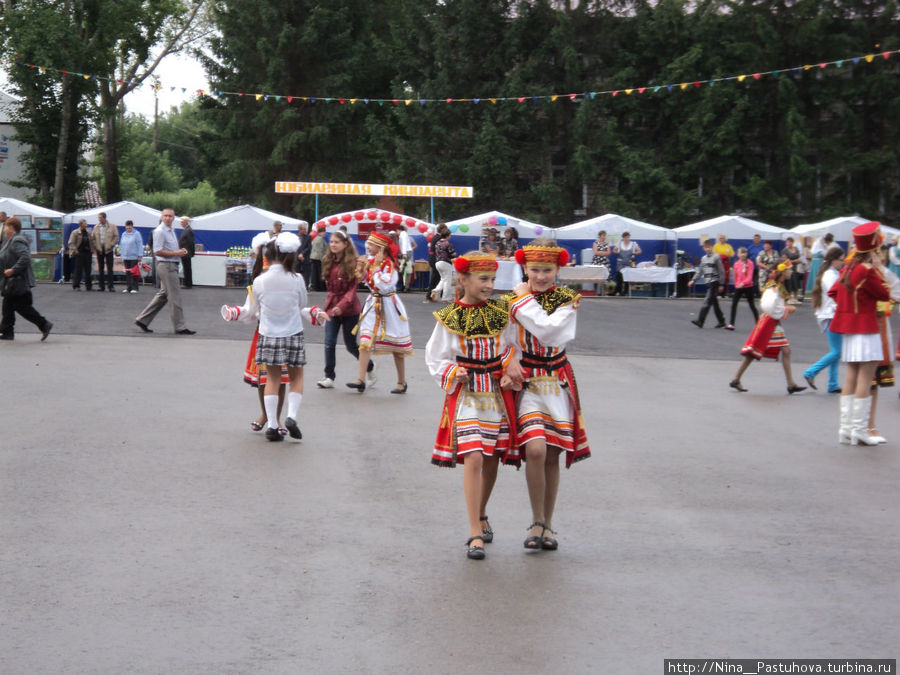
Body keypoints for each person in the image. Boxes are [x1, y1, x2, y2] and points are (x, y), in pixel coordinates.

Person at [425, 251, 520, 560]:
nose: (490, 285)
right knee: (475, 457)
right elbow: (435, 356)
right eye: (483, 279)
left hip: (493, 394)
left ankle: (480, 512)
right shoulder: (450, 316)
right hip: (467, 394)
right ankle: (474, 532)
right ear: (463, 280)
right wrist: (453, 371)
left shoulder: (499, 312)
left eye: (492, 279)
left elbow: (509, 347)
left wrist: (508, 371)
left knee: (491, 459)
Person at [507, 240, 591, 553]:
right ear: (525, 269)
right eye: (535, 270)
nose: (541, 276)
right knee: (537, 450)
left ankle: (546, 524)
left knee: (553, 453)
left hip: (556, 381)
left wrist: (523, 301)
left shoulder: (568, 299)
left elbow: (551, 333)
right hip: (527, 381)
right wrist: (508, 357)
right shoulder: (511, 300)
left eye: (547, 270)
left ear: (557, 270)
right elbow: (502, 337)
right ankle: (536, 518)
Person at [239, 232, 328, 441]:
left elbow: (254, 309)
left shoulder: (260, 280)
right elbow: (300, 305)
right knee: (296, 378)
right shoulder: (297, 279)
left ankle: (271, 424)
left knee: (271, 378)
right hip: (292, 332)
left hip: (267, 333)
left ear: (267, 257)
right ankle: (291, 417)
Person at [828, 222, 892, 445]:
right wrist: (877, 269)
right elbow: (884, 293)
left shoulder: (847, 268)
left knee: (851, 376)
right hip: (866, 327)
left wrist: (849, 307)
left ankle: (846, 429)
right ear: (873, 248)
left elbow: (833, 291)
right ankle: (859, 430)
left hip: (849, 328)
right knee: (866, 378)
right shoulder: (866, 270)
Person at [222, 232, 290, 435]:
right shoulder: (257, 281)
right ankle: (266, 415)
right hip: (263, 331)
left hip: (284, 331)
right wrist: (234, 313)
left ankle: (275, 420)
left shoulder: (287, 277)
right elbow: (250, 310)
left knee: (281, 378)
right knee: (264, 378)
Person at [347, 231, 413, 394]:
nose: (367, 247)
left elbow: (384, 285)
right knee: (365, 340)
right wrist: (361, 270)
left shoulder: (389, 264)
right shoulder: (371, 262)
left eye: (370, 244)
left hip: (389, 306)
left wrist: (375, 269)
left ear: (380, 247)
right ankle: (361, 379)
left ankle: (401, 381)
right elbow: (366, 282)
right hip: (373, 305)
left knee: (397, 346)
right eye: (368, 244)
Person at [730, 261, 806, 394]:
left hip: (771, 322)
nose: (791, 272)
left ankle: (790, 383)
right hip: (769, 322)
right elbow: (769, 306)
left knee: (776, 351)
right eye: (789, 269)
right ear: (783, 271)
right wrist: (786, 310)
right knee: (755, 351)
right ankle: (790, 383)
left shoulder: (776, 286)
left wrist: (783, 310)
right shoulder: (774, 287)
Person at [317, 230, 374, 389]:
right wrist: (328, 309)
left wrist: (341, 306)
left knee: (350, 345)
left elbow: (352, 290)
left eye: (337, 242)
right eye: (332, 242)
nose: (333, 245)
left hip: (350, 310)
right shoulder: (327, 260)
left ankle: (368, 366)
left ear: (345, 244)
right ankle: (329, 377)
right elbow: (329, 289)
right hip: (332, 308)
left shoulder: (354, 263)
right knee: (329, 342)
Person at [134, 208, 195, 335]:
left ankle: (142, 320)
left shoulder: (171, 230)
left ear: (174, 218)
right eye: (166, 216)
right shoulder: (160, 231)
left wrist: (179, 252)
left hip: (170, 264)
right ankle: (180, 327)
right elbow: (157, 251)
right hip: (166, 265)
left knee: (163, 295)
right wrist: (176, 253)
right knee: (175, 296)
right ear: (162, 217)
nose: (168, 218)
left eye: (170, 216)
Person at [0, 217, 53, 341]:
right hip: (11, 282)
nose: (4, 229)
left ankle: (44, 324)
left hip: (18, 281)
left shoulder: (17, 240)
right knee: (7, 306)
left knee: (23, 307)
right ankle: (7, 331)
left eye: (6, 226)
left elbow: (25, 258)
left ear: (12, 227)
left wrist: (13, 270)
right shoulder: (9, 241)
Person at [802, 246, 845, 394]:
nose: (843, 263)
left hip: (829, 315)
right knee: (837, 352)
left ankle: (833, 383)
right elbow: (836, 296)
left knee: (836, 351)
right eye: (841, 260)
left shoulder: (830, 273)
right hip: (831, 315)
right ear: (833, 260)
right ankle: (810, 372)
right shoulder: (831, 275)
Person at [688, 239, 726, 329]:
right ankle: (721, 321)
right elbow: (700, 271)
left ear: (711, 247)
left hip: (714, 281)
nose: (707, 249)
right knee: (714, 302)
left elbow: (721, 271)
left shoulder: (716, 257)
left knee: (707, 301)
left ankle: (700, 321)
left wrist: (721, 284)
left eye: (709, 247)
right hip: (708, 281)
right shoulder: (704, 259)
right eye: (706, 247)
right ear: (703, 248)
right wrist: (693, 280)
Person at [726, 247, 758, 330]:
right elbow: (736, 276)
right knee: (734, 304)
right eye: (741, 253)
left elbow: (750, 277)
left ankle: (758, 323)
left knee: (752, 305)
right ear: (738, 254)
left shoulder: (750, 263)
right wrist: (736, 284)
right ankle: (731, 324)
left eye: (744, 253)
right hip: (739, 287)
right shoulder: (736, 264)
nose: (743, 254)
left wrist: (743, 283)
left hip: (748, 286)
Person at [91, 211, 119, 292]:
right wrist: (96, 247)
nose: (99, 219)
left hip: (108, 249)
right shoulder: (96, 227)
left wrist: (111, 244)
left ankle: (111, 286)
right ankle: (101, 286)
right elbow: (93, 238)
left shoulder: (112, 226)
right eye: (98, 218)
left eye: (100, 217)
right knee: (101, 268)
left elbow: (116, 237)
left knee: (110, 269)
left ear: (104, 218)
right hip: (100, 249)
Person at [429, 224, 456, 303]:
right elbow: (453, 253)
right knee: (448, 280)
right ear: (447, 236)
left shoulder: (437, 243)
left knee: (443, 279)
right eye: (450, 235)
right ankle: (446, 298)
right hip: (445, 263)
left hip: (437, 262)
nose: (450, 236)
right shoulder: (447, 243)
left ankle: (435, 290)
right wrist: (454, 254)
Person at [68, 219, 95, 291]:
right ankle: (76, 286)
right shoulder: (75, 232)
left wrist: (92, 250)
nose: (86, 224)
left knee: (88, 270)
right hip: (79, 253)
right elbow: (71, 243)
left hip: (88, 253)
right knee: (78, 270)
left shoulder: (88, 232)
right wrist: (76, 251)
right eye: (85, 223)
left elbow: (92, 241)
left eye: (86, 222)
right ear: (81, 224)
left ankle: (89, 286)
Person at [613, 231, 641, 296]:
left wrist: (634, 253)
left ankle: (625, 292)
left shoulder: (633, 244)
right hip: (621, 262)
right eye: (625, 237)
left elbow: (639, 251)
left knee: (627, 277)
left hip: (630, 262)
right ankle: (618, 291)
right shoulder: (619, 243)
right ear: (623, 238)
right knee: (619, 277)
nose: (627, 238)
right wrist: (618, 252)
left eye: (628, 237)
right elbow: (614, 250)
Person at [119, 220, 144, 293]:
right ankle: (128, 287)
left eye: (130, 226)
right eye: (127, 226)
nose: (128, 227)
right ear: (125, 226)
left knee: (134, 272)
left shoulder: (136, 234)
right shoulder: (124, 234)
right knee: (127, 273)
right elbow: (122, 245)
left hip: (134, 256)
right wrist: (122, 254)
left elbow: (140, 245)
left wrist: (140, 255)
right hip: (126, 257)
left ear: (132, 226)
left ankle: (135, 288)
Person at [780, 236, 801, 304]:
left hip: (796, 268)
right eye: (787, 242)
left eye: (789, 242)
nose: (788, 243)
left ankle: (795, 298)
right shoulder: (784, 251)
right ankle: (789, 298)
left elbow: (799, 256)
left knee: (796, 283)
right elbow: (784, 260)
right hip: (788, 268)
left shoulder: (796, 249)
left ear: (792, 242)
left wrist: (798, 261)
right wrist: (794, 261)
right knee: (789, 282)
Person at [712, 233, 734, 298]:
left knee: (726, 278)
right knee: (718, 278)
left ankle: (725, 293)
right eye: (720, 238)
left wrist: (727, 256)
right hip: (719, 263)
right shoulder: (716, 246)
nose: (722, 239)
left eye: (723, 238)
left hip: (726, 264)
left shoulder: (728, 246)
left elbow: (732, 254)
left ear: (725, 239)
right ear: (719, 239)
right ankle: (718, 293)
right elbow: (713, 254)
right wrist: (721, 257)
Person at [591, 229, 612, 295]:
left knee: (604, 277)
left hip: (605, 262)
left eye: (605, 236)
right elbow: (595, 252)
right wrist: (604, 252)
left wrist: (600, 252)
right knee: (595, 277)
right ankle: (595, 292)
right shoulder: (595, 243)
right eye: (603, 235)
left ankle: (604, 293)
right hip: (597, 261)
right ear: (600, 236)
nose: (604, 237)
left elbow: (609, 253)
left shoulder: (607, 244)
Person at [397, 224, 417, 291]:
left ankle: (406, 286)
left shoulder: (403, 234)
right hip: (406, 252)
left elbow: (404, 243)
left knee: (406, 270)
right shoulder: (403, 235)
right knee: (404, 270)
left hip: (407, 253)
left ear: (399, 230)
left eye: (397, 231)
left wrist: (404, 253)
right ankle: (405, 286)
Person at [309, 225, 328, 291]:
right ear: (320, 232)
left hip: (313, 257)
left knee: (315, 273)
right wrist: (322, 259)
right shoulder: (320, 239)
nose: (324, 233)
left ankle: (315, 286)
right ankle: (320, 287)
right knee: (320, 273)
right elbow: (320, 250)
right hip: (318, 258)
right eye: (324, 232)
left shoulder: (316, 238)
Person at [178, 216, 195, 289]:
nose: (180, 223)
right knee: (186, 268)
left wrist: (190, 252)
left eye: (182, 222)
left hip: (186, 253)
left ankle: (188, 284)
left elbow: (191, 243)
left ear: (186, 222)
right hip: (184, 252)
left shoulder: (188, 230)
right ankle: (187, 283)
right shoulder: (186, 230)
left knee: (187, 268)